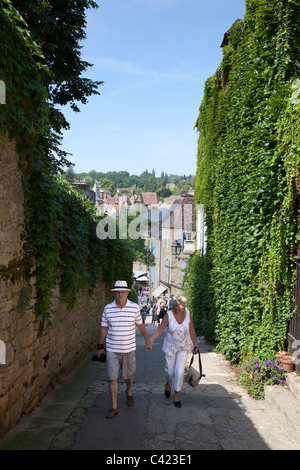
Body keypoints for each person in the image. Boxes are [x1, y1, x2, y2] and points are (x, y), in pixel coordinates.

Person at [97, 280, 152, 419]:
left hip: (128, 349)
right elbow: (104, 328)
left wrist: (147, 341)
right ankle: (114, 407)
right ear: (114, 293)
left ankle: (128, 390)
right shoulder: (107, 308)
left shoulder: (134, 308)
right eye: (118, 292)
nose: (120, 294)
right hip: (112, 350)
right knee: (112, 377)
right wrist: (100, 346)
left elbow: (140, 326)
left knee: (128, 375)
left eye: (123, 292)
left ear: (127, 293)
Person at [149, 295, 198, 408]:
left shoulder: (188, 314)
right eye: (182, 304)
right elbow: (160, 329)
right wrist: (150, 341)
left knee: (179, 372)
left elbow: (191, 329)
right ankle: (168, 385)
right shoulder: (169, 316)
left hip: (184, 347)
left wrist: (195, 345)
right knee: (169, 372)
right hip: (170, 347)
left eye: (185, 304)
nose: (185, 306)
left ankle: (176, 396)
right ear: (175, 306)